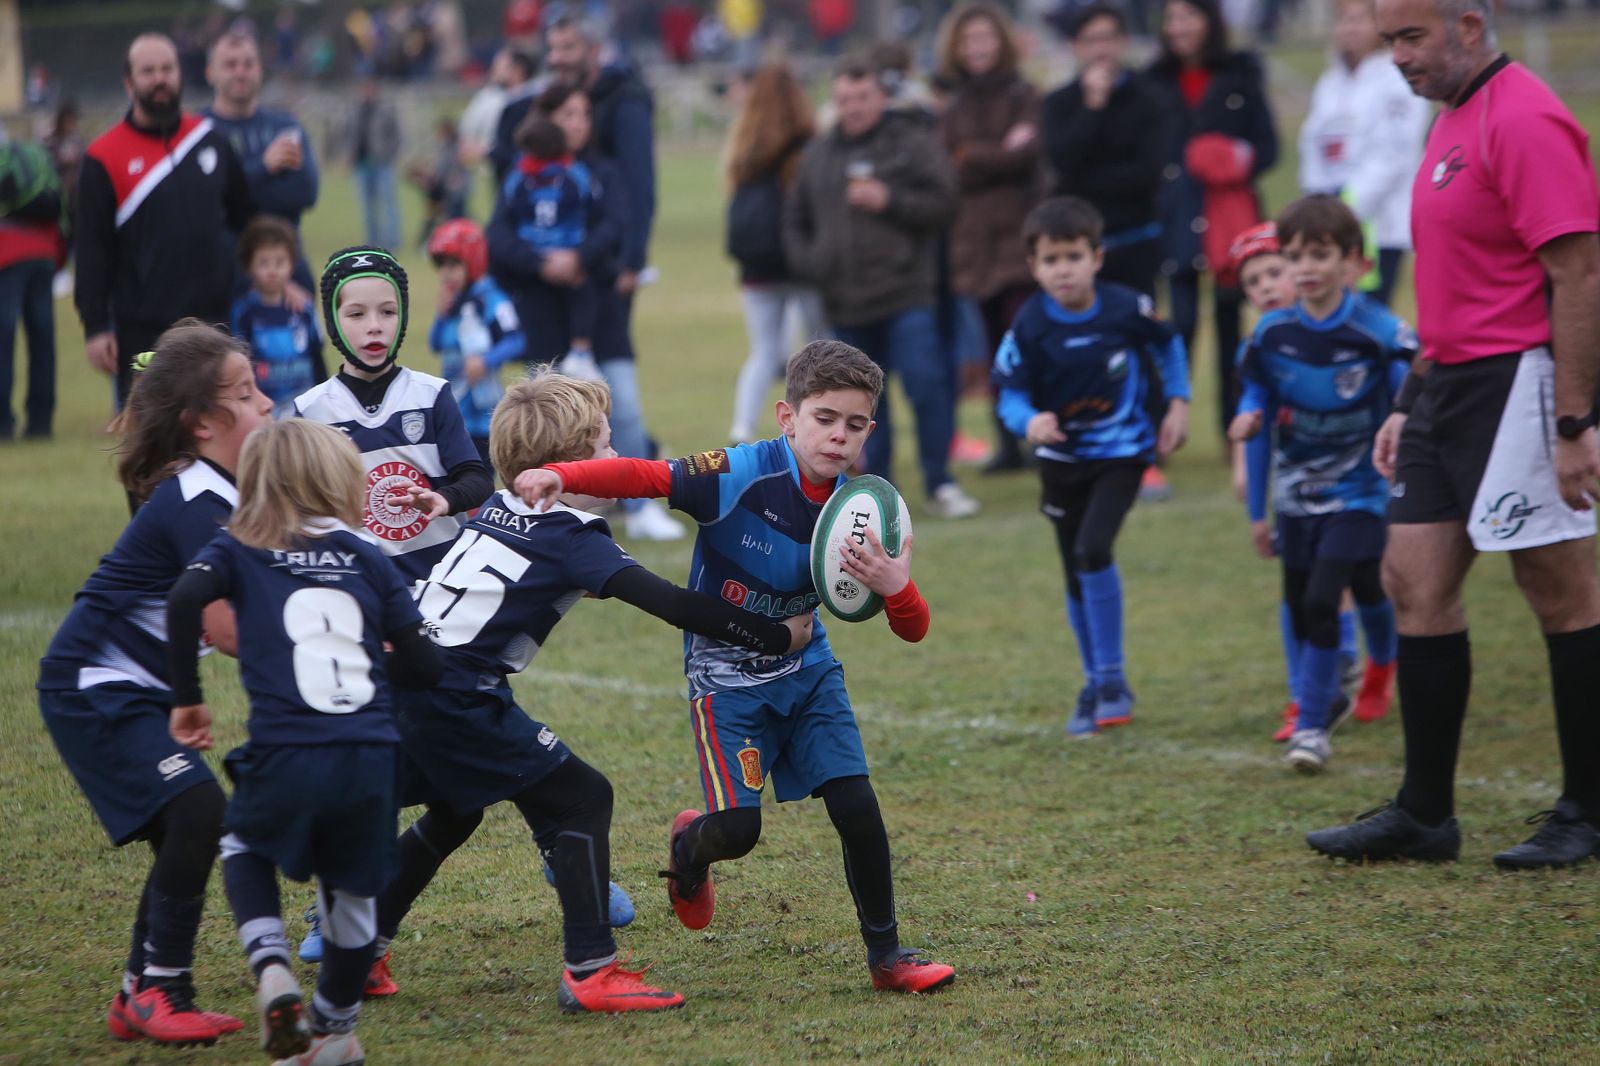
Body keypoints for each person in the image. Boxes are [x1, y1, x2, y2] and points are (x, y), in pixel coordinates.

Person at [511, 340, 958, 995]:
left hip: (808, 671)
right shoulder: (738, 472)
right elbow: (646, 476)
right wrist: (565, 476)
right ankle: (690, 848)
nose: (839, 437)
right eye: (825, 419)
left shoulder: (861, 510)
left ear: (871, 430)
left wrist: (898, 586)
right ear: (787, 416)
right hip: (724, 682)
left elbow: (912, 631)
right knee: (737, 832)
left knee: (857, 805)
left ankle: (888, 957)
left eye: (855, 425)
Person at [370, 372, 816, 1013]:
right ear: (568, 466)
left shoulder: (500, 504)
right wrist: (774, 636)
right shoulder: (571, 535)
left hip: (408, 686)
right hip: (457, 696)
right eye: (605, 450)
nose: (614, 464)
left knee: (456, 808)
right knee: (582, 797)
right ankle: (591, 969)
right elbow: (672, 603)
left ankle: (360, 948)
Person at [1306, 0, 1600, 868]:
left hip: (1520, 382)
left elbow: (1578, 274)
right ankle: (1425, 814)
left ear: (1470, 23)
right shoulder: (1451, 118)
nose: (1397, 57)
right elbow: (1456, 283)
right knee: (1412, 579)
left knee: (1559, 589)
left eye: (1412, 37)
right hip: (1445, 386)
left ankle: (1586, 809)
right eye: (1390, 39)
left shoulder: (1526, 117)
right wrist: (1406, 399)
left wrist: (1578, 419)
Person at [165, 418, 443, 1066]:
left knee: (241, 842)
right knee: (352, 893)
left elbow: (184, 599)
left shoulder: (237, 546)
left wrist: (187, 697)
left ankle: (273, 971)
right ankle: (335, 1031)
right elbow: (427, 667)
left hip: (288, 749)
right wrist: (377, 665)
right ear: (340, 477)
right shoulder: (368, 554)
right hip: (372, 756)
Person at [37, 321, 272, 1047]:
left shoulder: (224, 495)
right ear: (201, 424)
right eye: (245, 394)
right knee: (200, 812)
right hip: (93, 685)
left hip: (128, 689)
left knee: (190, 819)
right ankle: (160, 990)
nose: (265, 404)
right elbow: (231, 629)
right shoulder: (197, 500)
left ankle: (139, 991)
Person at [992, 197, 1190, 737]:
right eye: (1051, 260)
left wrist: (1178, 402)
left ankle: (1112, 678)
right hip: (1061, 462)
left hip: (1122, 453)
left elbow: (1169, 346)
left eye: (1074, 256)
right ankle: (1093, 679)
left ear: (1097, 257)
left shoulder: (1128, 307)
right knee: (1074, 570)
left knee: (1093, 549)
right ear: (1034, 267)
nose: (1064, 269)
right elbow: (1007, 392)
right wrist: (1028, 421)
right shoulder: (1029, 327)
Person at [1228, 197, 1410, 773]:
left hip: (1362, 492)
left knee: (1321, 597)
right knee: (1334, 593)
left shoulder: (1380, 332)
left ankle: (1311, 723)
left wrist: (1407, 436)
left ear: (1353, 262)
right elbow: (1257, 393)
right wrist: (1250, 418)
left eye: (1319, 254)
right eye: (1295, 255)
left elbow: (1415, 392)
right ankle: (1382, 660)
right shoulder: (1271, 335)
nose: (1305, 267)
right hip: (1296, 497)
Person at [784, 56, 980, 520]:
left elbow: (946, 201)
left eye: (862, 97)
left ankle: (940, 481)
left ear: (881, 98)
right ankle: (879, 494)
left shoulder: (910, 143)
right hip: (845, 302)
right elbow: (794, 220)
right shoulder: (820, 154)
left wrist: (888, 199)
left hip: (905, 295)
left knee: (926, 387)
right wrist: (815, 264)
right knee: (863, 406)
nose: (852, 107)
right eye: (844, 99)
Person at [521, 82, 687, 541]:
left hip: (603, 315)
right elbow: (501, 237)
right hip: (546, 315)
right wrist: (541, 263)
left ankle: (638, 509)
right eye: (567, 114)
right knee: (547, 421)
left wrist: (577, 258)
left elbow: (616, 225)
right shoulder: (525, 173)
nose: (576, 123)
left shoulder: (603, 172)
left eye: (583, 114)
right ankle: (547, 509)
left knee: (625, 412)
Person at [292, 247, 494, 586]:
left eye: (387, 312)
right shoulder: (311, 411)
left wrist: (445, 498)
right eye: (356, 315)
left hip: (439, 583)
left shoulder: (432, 396)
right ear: (332, 321)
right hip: (361, 591)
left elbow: (478, 481)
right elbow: (301, 514)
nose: (374, 326)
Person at [76, 33, 254, 407]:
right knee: (152, 450)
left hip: (214, 325)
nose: (159, 79)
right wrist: (95, 327)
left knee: (217, 434)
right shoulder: (102, 156)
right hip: (142, 331)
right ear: (129, 82)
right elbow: (92, 250)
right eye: (148, 71)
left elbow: (247, 224)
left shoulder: (211, 141)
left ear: (180, 74)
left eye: (167, 69)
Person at [1145, 0, 1277, 441]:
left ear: (1210, 21)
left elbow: (1269, 146)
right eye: (1172, 18)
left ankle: (1231, 428)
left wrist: (1233, 159)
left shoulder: (1241, 73)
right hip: (1175, 219)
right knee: (1178, 327)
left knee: (1229, 326)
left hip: (1227, 222)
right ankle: (1166, 426)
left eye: (1189, 16)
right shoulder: (1153, 82)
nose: (1180, 27)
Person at [936, 2, 1043, 476]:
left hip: (1019, 242)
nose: (976, 48)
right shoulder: (952, 106)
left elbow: (1027, 157)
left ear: (1001, 42)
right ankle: (1008, 443)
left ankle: (1043, 436)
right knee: (993, 350)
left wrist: (972, 157)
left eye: (984, 38)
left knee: (1029, 343)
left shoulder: (1025, 95)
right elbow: (946, 168)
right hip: (973, 247)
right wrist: (998, 153)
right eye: (967, 40)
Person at [722, 61, 828, 446]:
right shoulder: (809, 144)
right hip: (803, 264)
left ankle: (742, 427)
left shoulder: (745, 145)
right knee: (821, 348)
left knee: (763, 351)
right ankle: (822, 424)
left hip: (758, 266)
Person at [1298, 0, 1430, 307]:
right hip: (1328, 219)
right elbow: (1311, 144)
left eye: (1360, 20)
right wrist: (1317, 204)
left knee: (1366, 314)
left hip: (1378, 224)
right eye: (1344, 20)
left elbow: (1395, 153)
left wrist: (1348, 207)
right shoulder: (1330, 81)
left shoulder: (1396, 76)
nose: (1350, 28)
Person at [1041, 4, 1167, 300]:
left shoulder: (1149, 97)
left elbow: (1150, 170)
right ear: (1075, 46)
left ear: (1124, 41)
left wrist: (1088, 179)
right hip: (1078, 245)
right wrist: (1092, 108)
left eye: (1108, 38)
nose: (1101, 49)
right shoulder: (1059, 103)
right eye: (1091, 40)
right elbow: (1063, 162)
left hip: (1137, 237)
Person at [203, 30, 321, 295]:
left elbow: (304, 193)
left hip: (288, 280)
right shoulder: (197, 131)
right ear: (211, 73)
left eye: (248, 63)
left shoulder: (285, 126)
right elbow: (205, 202)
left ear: (260, 69)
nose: (240, 72)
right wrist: (265, 168)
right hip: (222, 282)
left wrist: (235, 191)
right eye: (230, 64)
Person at [488, 116, 599, 377]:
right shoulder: (573, 173)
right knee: (580, 293)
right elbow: (591, 205)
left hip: (548, 256)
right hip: (555, 257)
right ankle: (579, 353)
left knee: (581, 293)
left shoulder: (519, 178)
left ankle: (577, 354)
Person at [427, 218, 524, 463]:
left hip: (483, 413)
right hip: (453, 408)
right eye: (441, 266)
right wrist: (440, 315)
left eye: (453, 265)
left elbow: (516, 339)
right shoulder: (451, 303)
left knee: (479, 474)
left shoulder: (492, 300)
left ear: (473, 262)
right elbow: (435, 344)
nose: (446, 273)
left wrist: (486, 361)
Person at [0, 136, 66, 440]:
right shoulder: (34, 154)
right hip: (44, 253)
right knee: (43, 337)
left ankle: (3, 421)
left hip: (8, 253)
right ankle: (41, 420)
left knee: (4, 338)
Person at [231, 215, 326, 416]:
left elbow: (317, 356)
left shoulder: (304, 309)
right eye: (264, 263)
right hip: (266, 409)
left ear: (292, 264)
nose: (272, 270)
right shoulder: (244, 313)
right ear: (249, 266)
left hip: (304, 408)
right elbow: (240, 363)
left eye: (280, 262)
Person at [345, 78, 402, 251]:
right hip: (361, 165)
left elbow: (397, 136)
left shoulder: (385, 110)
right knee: (367, 206)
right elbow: (346, 134)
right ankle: (373, 241)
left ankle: (392, 242)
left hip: (382, 163)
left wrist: (388, 154)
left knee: (388, 203)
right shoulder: (354, 111)